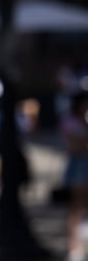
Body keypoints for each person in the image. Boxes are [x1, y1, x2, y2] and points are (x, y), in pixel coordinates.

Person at [60, 91, 88, 261]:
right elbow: (74, 147)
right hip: (79, 166)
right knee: (76, 207)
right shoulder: (71, 122)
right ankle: (74, 247)